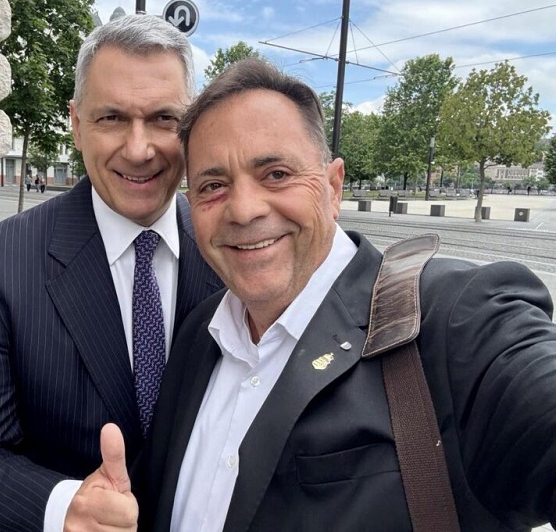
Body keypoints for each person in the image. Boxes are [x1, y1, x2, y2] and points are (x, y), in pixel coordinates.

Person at [133, 58, 556, 531]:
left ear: (333, 188)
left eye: (276, 174)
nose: (244, 210)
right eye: (213, 185)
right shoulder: (199, 334)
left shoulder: (452, 317)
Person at [0, 14, 223, 532]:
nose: (138, 149)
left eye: (163, 118)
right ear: (77, 124)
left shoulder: (231, 251)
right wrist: (66, 508)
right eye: (112, 118)